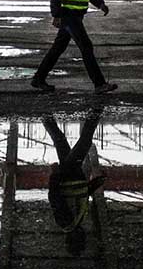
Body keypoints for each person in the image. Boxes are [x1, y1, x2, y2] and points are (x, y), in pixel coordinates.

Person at [44, 108, 106, 257]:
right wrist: (96, 184)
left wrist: (55, 174)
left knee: (85, 141)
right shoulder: (75, 222)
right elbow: (79, 197)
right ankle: (45, 115)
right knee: (60, 140)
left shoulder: (66, 222)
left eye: (82, 240)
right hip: (72, 174)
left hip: (69, 173)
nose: (85, 237)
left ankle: (97, 110)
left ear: (75, 239)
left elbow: (55, 197)